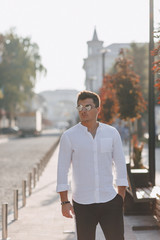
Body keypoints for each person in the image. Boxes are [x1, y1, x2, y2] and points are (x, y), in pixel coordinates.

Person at [56, 90, 128, 240]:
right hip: (82, 203)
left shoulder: (112, 133)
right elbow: (62, 169)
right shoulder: (69, 136)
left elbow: (120, 164)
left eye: (87, 107)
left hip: (110, 200)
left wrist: (120, 196)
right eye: (80, 107)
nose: (83, 110)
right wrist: (64, 201)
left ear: (98, 109)